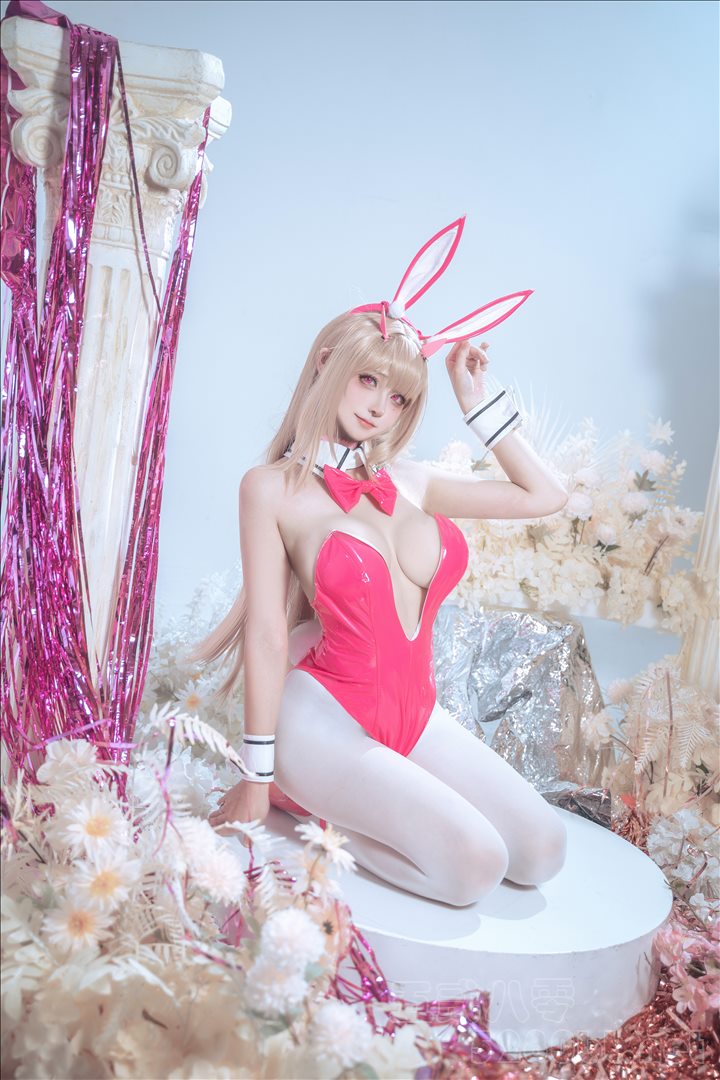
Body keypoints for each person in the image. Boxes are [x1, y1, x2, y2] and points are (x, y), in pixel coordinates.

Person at [192, 219, 569, 906]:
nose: (380, 406)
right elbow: (268, 634)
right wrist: (255, 775)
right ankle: (308, 806)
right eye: (368, 380)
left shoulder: (413, 481)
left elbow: (544, 496)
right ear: (326, 364)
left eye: (398, 397)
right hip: (320, 716)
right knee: (475, 866)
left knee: (543, 849)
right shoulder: (270, 489)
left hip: (412, 712)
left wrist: (475, 402)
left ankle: (345, 801)